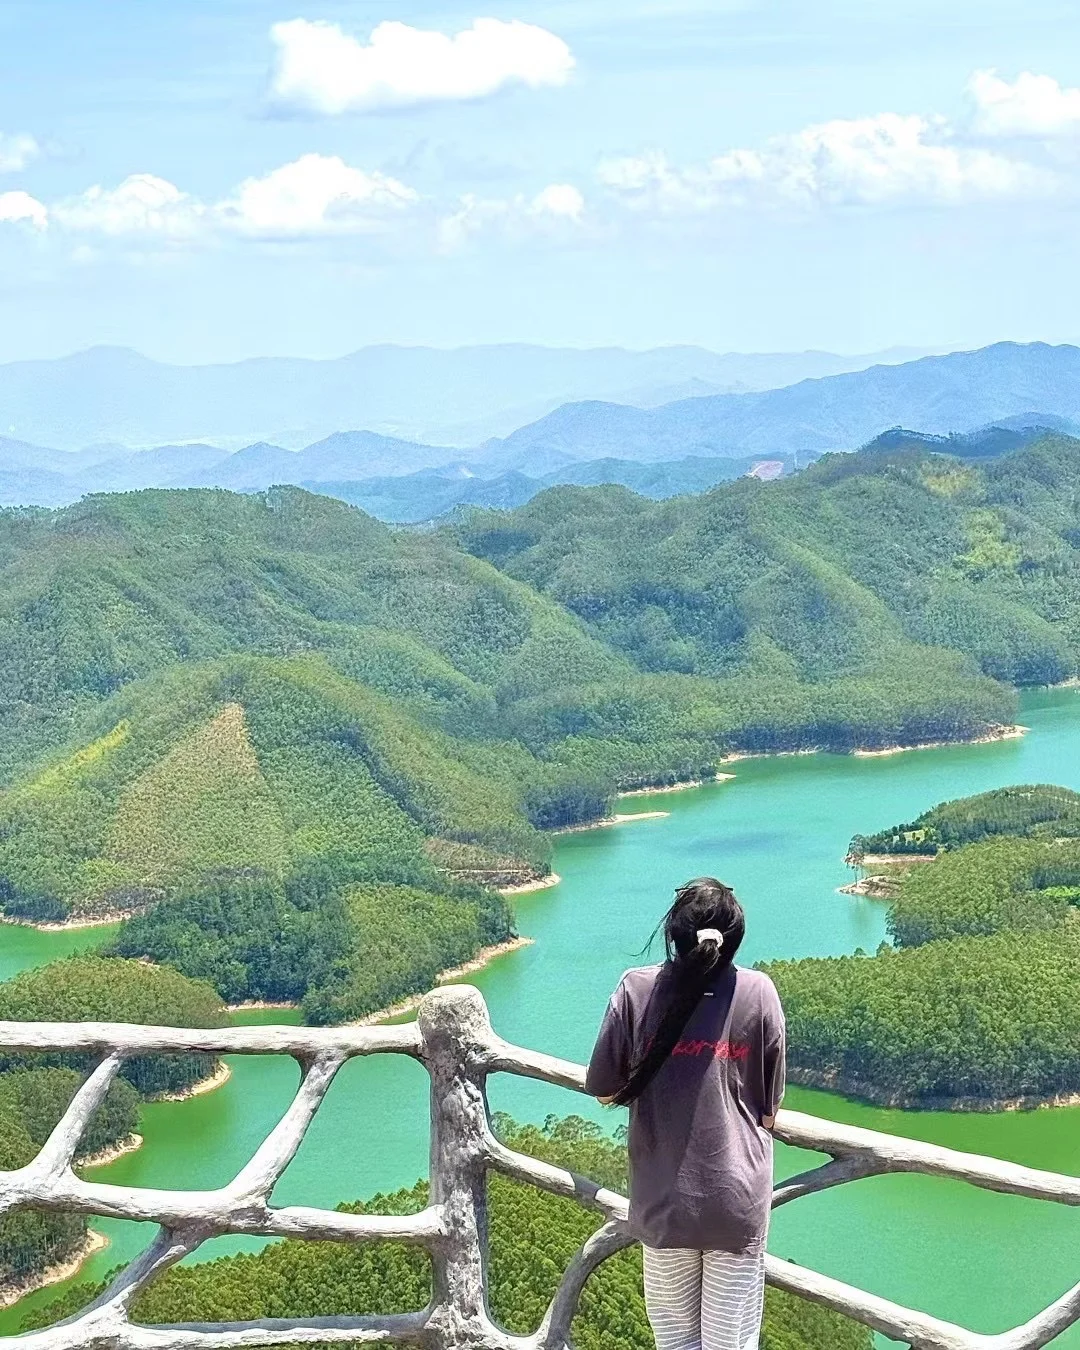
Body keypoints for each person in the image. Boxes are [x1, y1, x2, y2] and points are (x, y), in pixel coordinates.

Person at [585, 877, 785, 1350]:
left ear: (674, 936)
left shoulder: (636, 989)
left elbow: (603, 1088)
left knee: (674, 1342)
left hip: (664, 1198)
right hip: (736, 1200)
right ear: (734, 939)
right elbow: (770, 1112)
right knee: (728, 1345)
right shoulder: (758, 991)